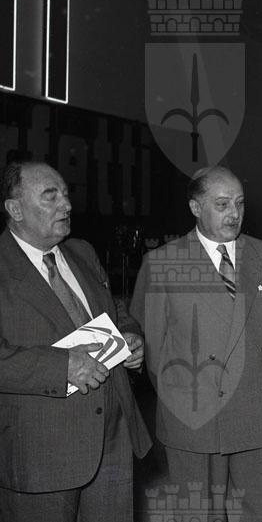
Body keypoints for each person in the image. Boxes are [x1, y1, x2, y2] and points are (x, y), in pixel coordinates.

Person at [130, 165, 262, 522]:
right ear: (195, 207)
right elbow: (154, 351)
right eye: (222, 204)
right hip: (193, 416)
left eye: (239, 203)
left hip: (258, 408)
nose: (234, 213)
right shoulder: (162, 264)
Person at [0, 161, 151, 522]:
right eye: (50, 196)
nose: (66, 205)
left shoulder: (82, 251)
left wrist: (131, 336)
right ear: (15, 209)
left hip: (112, 440)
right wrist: (61, 366)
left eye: (66, 195)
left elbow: (115, 310)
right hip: (40, 451)